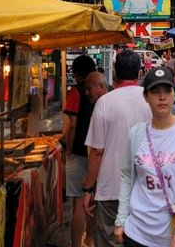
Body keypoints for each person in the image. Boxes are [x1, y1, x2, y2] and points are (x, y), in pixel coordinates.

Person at [114, 67, 175, 247]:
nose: (162, 97)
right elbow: (126, 176)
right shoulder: (136, 134)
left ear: (174, 94)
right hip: (137, 232)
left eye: (167, 91)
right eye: (155, 92)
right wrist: (121, 219)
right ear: (146, 97)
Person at [83, 50, 151, 246]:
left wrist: (88, 188)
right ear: (139, 72)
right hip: (145, 186)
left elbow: (97, 152)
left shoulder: (104, 102)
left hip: (112, 187)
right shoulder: (152, 100)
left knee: (112, 240)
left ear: (114, 72)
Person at [64, 55, 97, 247]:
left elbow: (73, 125)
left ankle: (76, 244)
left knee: (78, 201)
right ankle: (90, 239)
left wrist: (68, 151)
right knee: (91, 199)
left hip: (78, 151)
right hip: (96, 152)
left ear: (76, 74)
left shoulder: (75, 91)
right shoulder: (102, 89)